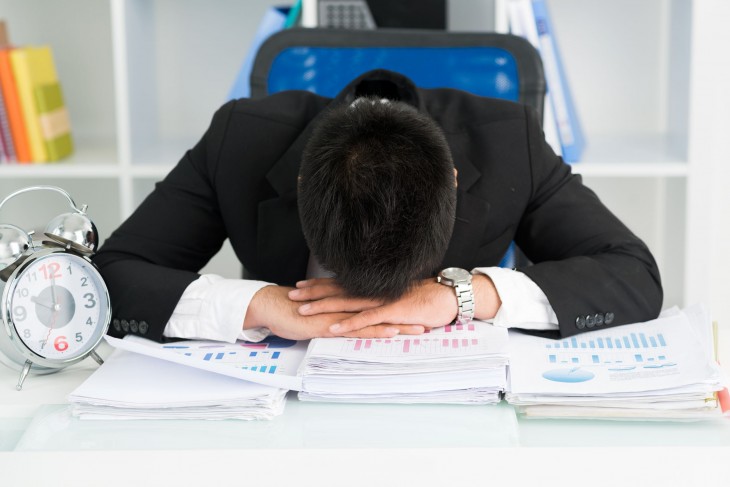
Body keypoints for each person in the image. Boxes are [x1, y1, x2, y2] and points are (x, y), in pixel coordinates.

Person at [93, 69, 663, 344]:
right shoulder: (239, 141)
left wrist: (463, 295)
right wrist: (260, 303)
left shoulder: (510, 143)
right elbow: (111, 276)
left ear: (456, 184)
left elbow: (631, 273)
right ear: (299, 186)